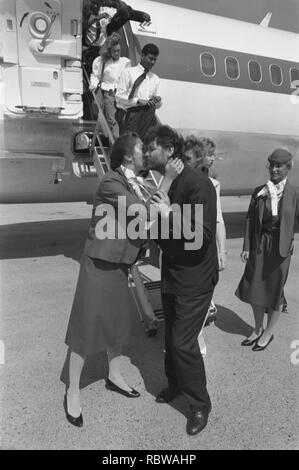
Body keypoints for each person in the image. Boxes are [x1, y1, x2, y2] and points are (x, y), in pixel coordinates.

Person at [64, 132, 183, 427]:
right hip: (99, 265)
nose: (148, 152)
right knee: (87, 326)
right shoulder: (111, 182)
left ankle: (114, 375)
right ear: (129, 156)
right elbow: (142, 214)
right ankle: (72, 390)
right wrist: (166, 180)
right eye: (144, 148)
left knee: (118, 325)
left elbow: (148, 223)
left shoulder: (137, 183)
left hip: (121, 265)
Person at [145, 125, 218, 436]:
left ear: (169, 151)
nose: (147, 152)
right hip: (172, 275)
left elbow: (201, 236)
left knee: (182, 343)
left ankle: (200, 404)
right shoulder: (169, 183)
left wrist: (167, 214)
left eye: (152, 148)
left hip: (195, 280)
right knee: (170, 338)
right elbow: (164, 231)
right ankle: (175, 384)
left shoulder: (199, 185)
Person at [235, 148, 299, 351]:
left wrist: (292, 238)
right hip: (261, 244)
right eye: (271, 165)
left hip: (280, 249)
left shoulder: (294, 193)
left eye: (279, 165)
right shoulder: (259, 192)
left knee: (275, 291)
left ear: (288, 167)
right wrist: (247, 246)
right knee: (255, 287)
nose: (274, 169)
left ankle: (268, 333)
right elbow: (249, 220)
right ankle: (257, 328)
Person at [184, 135, 226, 356]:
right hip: (184, 249)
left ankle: (196, 334)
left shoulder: (214, 183)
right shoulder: (181, 180)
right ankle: (188, 337)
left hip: (206, 250)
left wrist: (223, 251)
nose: (212, 158)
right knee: (186, 299)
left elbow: (218, 218)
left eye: (212, 154)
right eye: (208, 154)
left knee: (203, 298)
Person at [116, 43, 162, 140]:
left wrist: (158, 101)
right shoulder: (128, 72)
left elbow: (157, 105)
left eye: (155, 60)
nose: (153, 62)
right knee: (130, 145)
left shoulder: (155, 79)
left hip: (146, 116)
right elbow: (119, 97)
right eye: (150, 58)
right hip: (129, 114)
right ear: (142, 56)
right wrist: (137, 101)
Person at [89, 33, 131, 137]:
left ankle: (121, 140)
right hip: (109, 93)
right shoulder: (102, 62)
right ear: (109, 51)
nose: (117, 53)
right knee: (112, 120)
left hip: (121, 94)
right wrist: (93, 85)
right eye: (114, 51)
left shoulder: (125, 62)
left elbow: (129, 79)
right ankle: (115, 143)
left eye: (118, 51)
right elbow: (96, 76)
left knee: (122, 119)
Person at [83, 0, 150, 51]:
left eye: (97, 4)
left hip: (103, 47)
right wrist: (95, 19)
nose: (95, 6)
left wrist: (140, 15)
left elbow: (123, 12)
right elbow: (83, 27)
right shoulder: (86, 11)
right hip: (90, 48)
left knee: (125, 11)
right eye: (93, 3)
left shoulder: (105, 10)